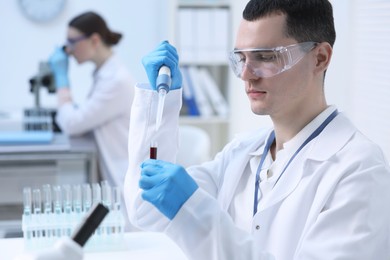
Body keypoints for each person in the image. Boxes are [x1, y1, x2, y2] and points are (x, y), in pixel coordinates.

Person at [124, 0, 390, 259]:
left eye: (265, 57)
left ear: (320, 58)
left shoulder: (359, 170)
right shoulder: (242, 153)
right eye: (241, 58)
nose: (247, 74)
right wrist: (161, 101)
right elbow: (146, 209)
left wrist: (195, 211)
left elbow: (190, 215)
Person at [49, 11, 135, 188]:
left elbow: (72, 124)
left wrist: (62, 81)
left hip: (123, 183)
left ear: (94, 40)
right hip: (111, 178)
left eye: (72, 42)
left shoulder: (115, 81)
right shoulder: (104, 74)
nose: (69, 50)